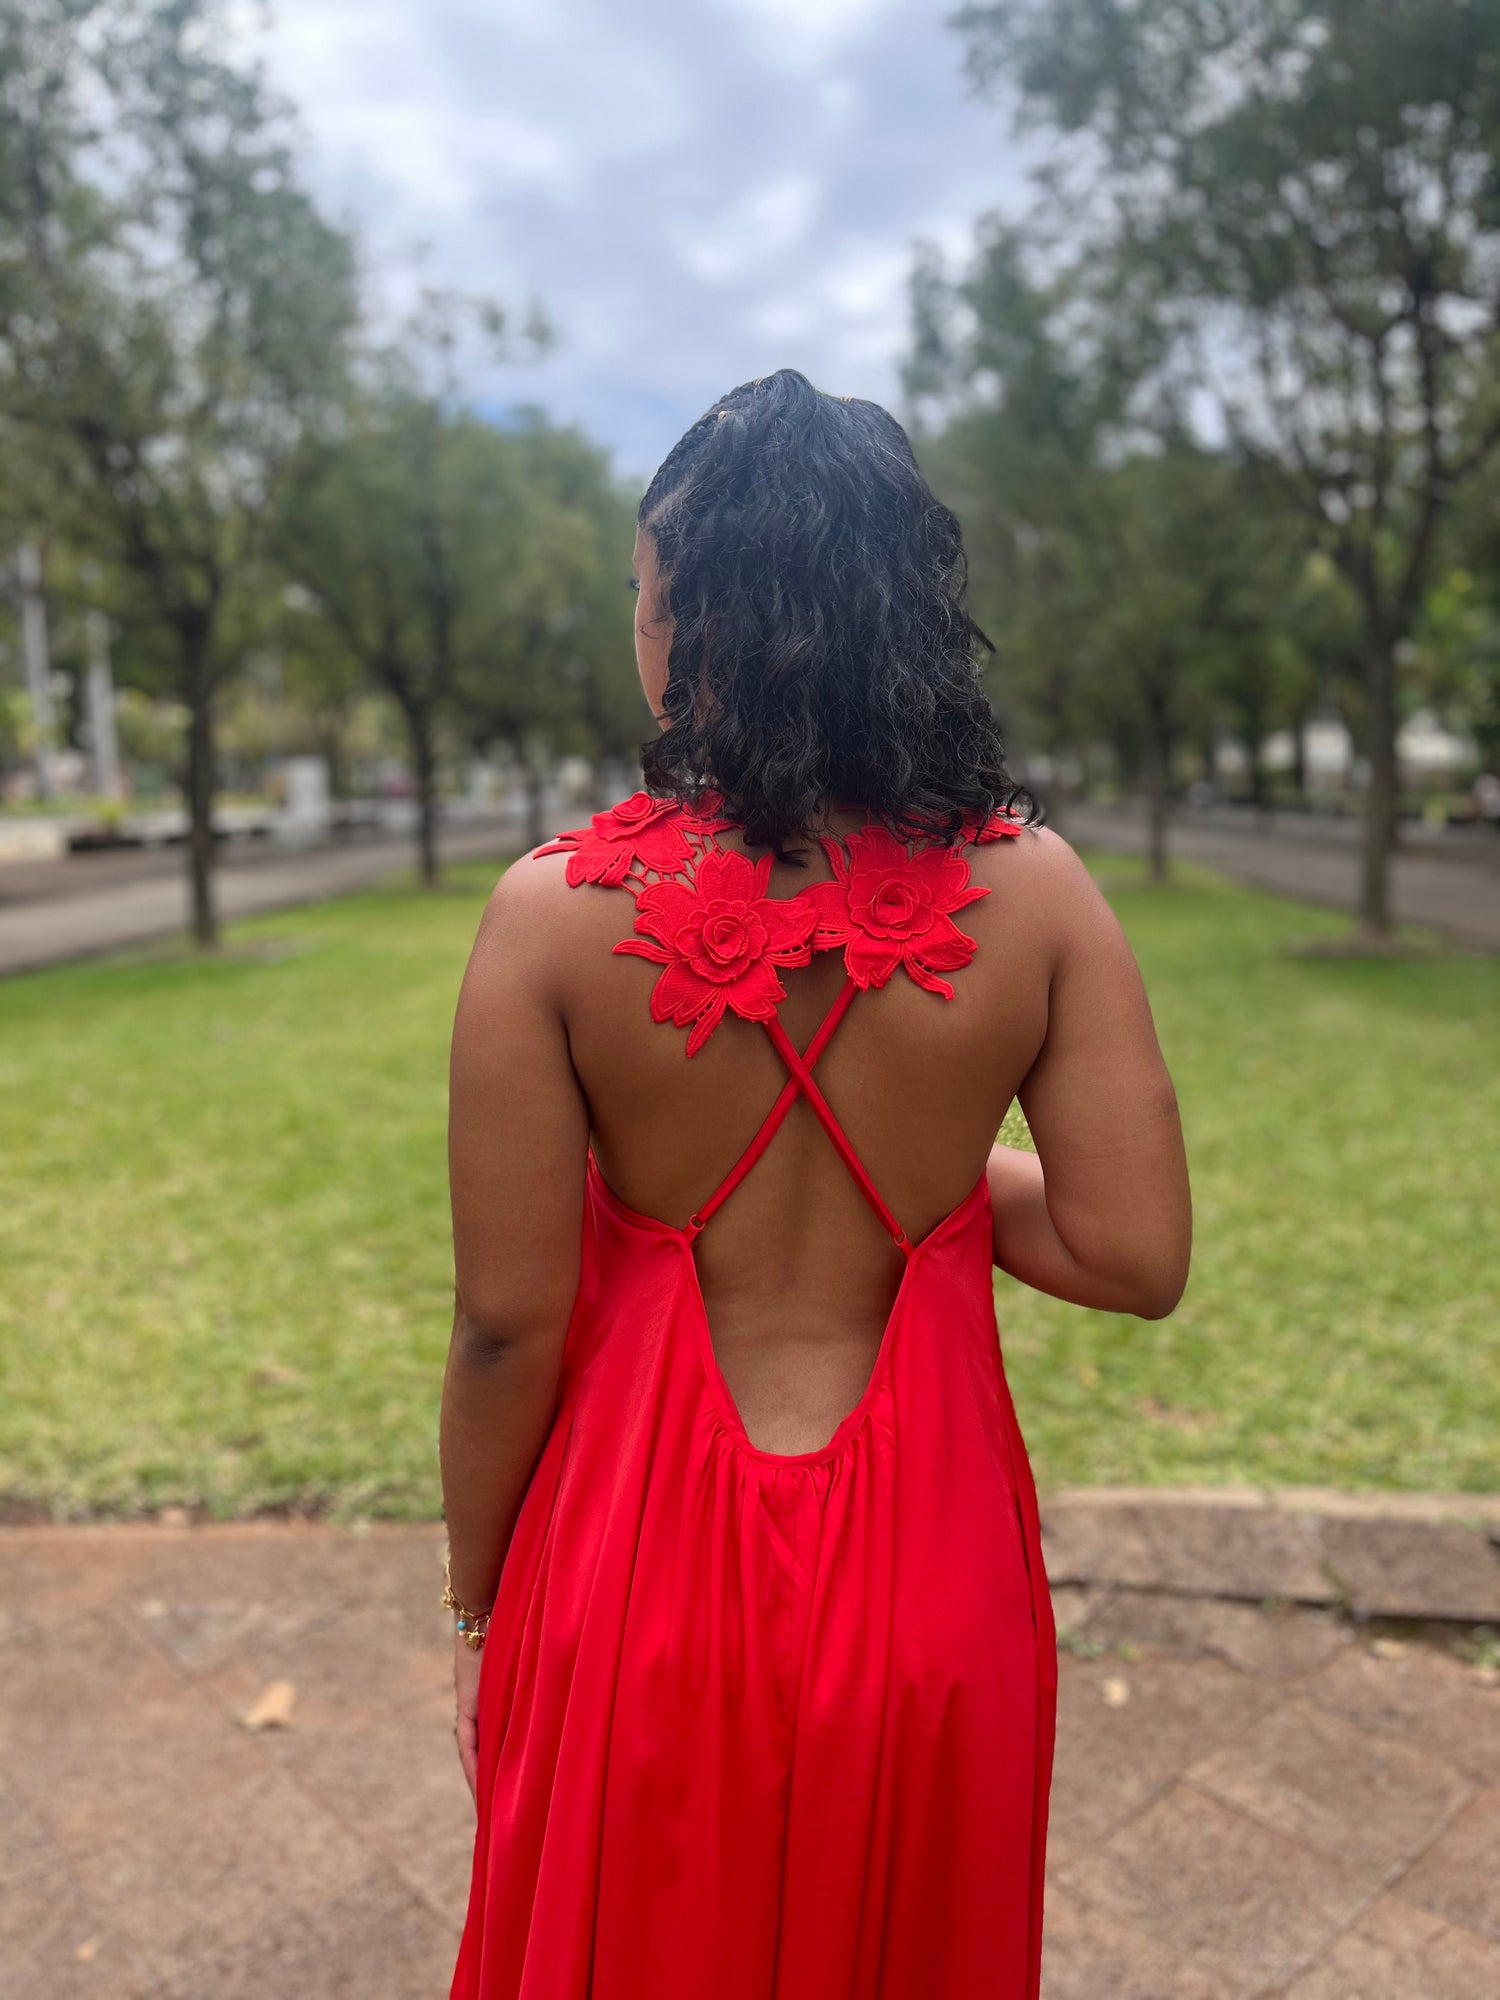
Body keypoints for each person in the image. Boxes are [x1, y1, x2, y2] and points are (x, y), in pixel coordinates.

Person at [440, 368, 1191, 1999]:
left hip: (627, 1581)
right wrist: (926, 1190)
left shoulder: (548, 917)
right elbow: (1132, 1253)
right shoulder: (1040, 897)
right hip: (933, 1588)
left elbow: (507, 1325)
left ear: (688, 622)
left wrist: (479, 1609)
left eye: (641, 592)